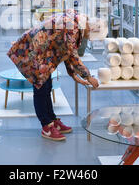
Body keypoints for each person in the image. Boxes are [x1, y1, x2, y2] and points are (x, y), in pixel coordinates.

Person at [7, 9, 107, 141]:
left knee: (47, 87)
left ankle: (52, 120)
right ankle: (46, 126)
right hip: (33, 52)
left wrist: (73, 75)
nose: (88, 38)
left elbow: (65, 51)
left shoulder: (76, 20)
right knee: (41, 89)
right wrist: (87, 76)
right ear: (90, 29)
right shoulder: (72, 27)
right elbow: (72, 54)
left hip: (42, 54)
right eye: (89, 36)